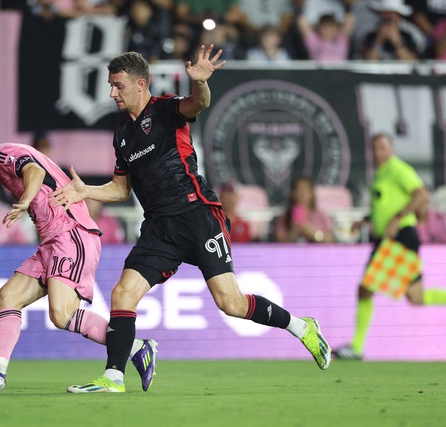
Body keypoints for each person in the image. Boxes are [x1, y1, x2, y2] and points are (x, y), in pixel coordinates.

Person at [50, 45, 331, 394]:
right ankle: (114, 377)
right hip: (159, 227)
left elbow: (198, 104)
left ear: (141, 84)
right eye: (110, 85)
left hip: (196, 214)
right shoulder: (122, 134)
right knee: (123, 293)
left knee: (231, 303)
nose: (112, 93)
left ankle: (301, 327)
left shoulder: (166, 109)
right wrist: (86, 191)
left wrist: (200, 84)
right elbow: (122, 190)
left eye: (118, 85)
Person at [0, 133, 157, 393]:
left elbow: (34, 171)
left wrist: (24, 202)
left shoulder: (2, 154)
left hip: (71, 234)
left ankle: (134, 346)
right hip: (52, 243)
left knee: (62, 313)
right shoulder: (1, 166)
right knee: (7, 298)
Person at [333, 133, 446, 360]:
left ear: (391, 149)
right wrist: (365, 220)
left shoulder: (398, 169)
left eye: (382, 148)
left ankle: (356, 347)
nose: (377, 152)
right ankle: (356, 348)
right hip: (395, 239)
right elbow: (383, 209)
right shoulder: (381, 174)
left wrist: (398, 217)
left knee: (365, 289)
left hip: (399, 238)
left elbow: (421, 195)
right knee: (416, 297)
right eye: (374, 148)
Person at [275, 176, 334, 243]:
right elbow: (279, 242)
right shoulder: (284, 218)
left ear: (312, 194)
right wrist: (294, 230)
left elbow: (329, 239)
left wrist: (311, 232)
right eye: (298, 190)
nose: (302, 194)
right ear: (293, 193)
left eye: (305, 190)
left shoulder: (321, 216)